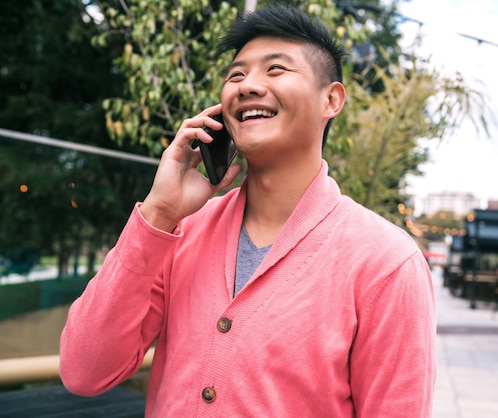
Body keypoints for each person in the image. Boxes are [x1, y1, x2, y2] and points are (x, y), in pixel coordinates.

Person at [60, 6, 437, 417]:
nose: (247, 86)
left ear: (331, 99)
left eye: (276, 70)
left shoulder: (386, 262)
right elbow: (84, 371)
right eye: (236, 75)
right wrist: (158, 213)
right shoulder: (181, 230)